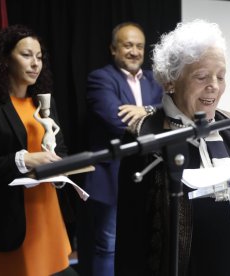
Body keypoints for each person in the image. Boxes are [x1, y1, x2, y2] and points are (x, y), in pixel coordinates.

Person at [115, 19, 230, 276]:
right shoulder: (145, 134)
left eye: (220, 76)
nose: (214, 85)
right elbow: (131, 235)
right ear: (171, 80)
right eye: (202, 76)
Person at [0, 25, 77, 276]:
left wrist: (61, 171)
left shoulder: (44, 102)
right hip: (5, 222)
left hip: (47, 216)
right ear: (4, 58)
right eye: (26, 55)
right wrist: (24, 160)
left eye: (39, 57)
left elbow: (62, 151)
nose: (35, 63)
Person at [77, 22, 163, 276]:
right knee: (108, 246)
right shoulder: (100, 78)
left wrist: (146, 110)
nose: (135, 51)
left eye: (139, 46)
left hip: (150, 173)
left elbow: (170, 112)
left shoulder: (155, 79)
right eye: (128, 45)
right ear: (113, 49)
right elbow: (117, 121)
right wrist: (155, 116)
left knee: (147, 242)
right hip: (111, 178)